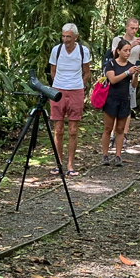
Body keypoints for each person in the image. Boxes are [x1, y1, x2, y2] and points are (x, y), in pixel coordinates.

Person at [48, 23, 92, 176]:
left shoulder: (82, 51)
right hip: (58, 91)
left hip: (76, 91)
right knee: (58, 130)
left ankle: (70, 164)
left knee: (73, 130)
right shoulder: (56, 50)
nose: (65, 40)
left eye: (68, 37)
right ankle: (58, 162)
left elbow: (87, 72)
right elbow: (52, 71)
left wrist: (80, 85)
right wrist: (58, 86)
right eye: (64, 36)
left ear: (75, 37)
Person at [103, 17, 140, 152]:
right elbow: (113, 54)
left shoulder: (139, 44)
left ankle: (124, 135)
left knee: (126, 107)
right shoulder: (118, 40)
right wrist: (131, 45)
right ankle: (112, 135)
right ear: (126, 27)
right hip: (117, 74)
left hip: (131, 75)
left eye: (136, 28)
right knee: (114, 105)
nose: (134, 31)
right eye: (132, 28)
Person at [101, 38, 140, 166]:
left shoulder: (130, 66)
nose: (128, 53)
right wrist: (127, 72)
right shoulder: (111, 64)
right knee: (108, 128)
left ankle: (118, 156)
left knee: (120, 129)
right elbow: (112, 79)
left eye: (129, 51)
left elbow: (134, 85)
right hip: (111, 99)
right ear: (118, 51)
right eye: (125, 50)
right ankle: (105, 155)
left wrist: (135, 75)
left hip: (124, 100)